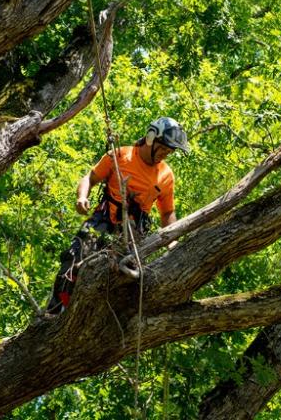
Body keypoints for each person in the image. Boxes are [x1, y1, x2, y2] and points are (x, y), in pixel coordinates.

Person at [46, 117, 189, 315]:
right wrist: (81, 197)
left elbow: (167, 212)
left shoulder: (166, 175)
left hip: (132, 234)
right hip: (103, 220)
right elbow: (90, 177)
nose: (165, 154)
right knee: (72, 262)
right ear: (150, 138)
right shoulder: (120, 155)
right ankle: (54, 312)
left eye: (170, 151)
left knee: (120, 281)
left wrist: (172, 241)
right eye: (164, 148)